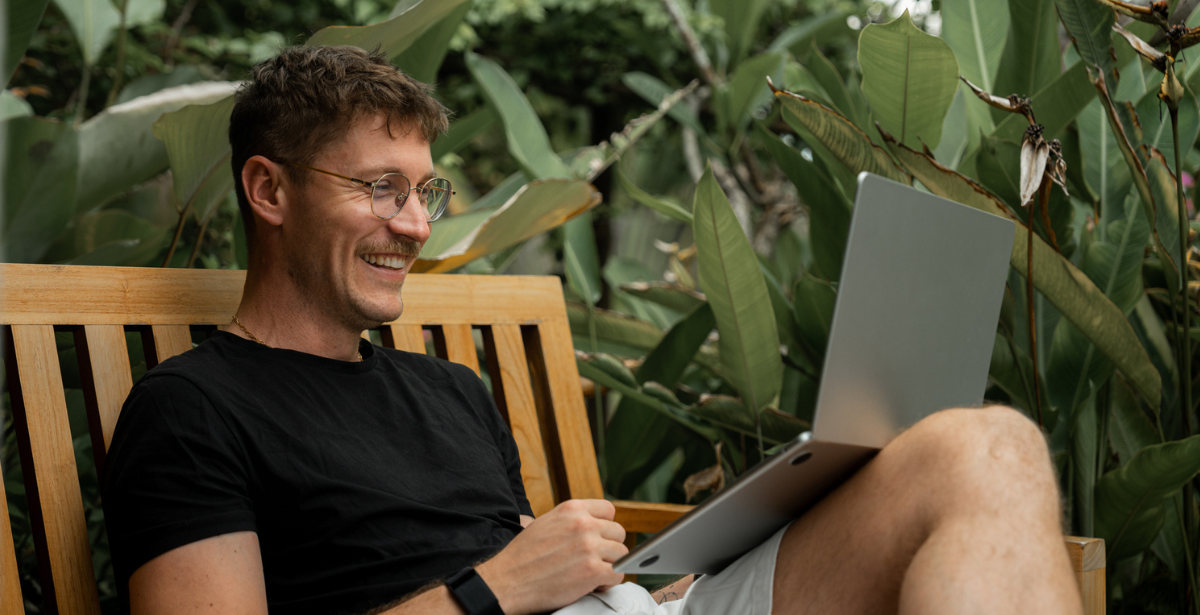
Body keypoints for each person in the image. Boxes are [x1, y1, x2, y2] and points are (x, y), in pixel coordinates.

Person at [101, 45, 1084, 615]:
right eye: (381, 188)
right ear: (269, 190)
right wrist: (491, 589)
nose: (415, 225)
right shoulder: (192, 411)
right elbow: (502, 583)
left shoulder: (447, 390)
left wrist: (633, 584)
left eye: (425, 191)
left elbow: (537, 575)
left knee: (986, 447)